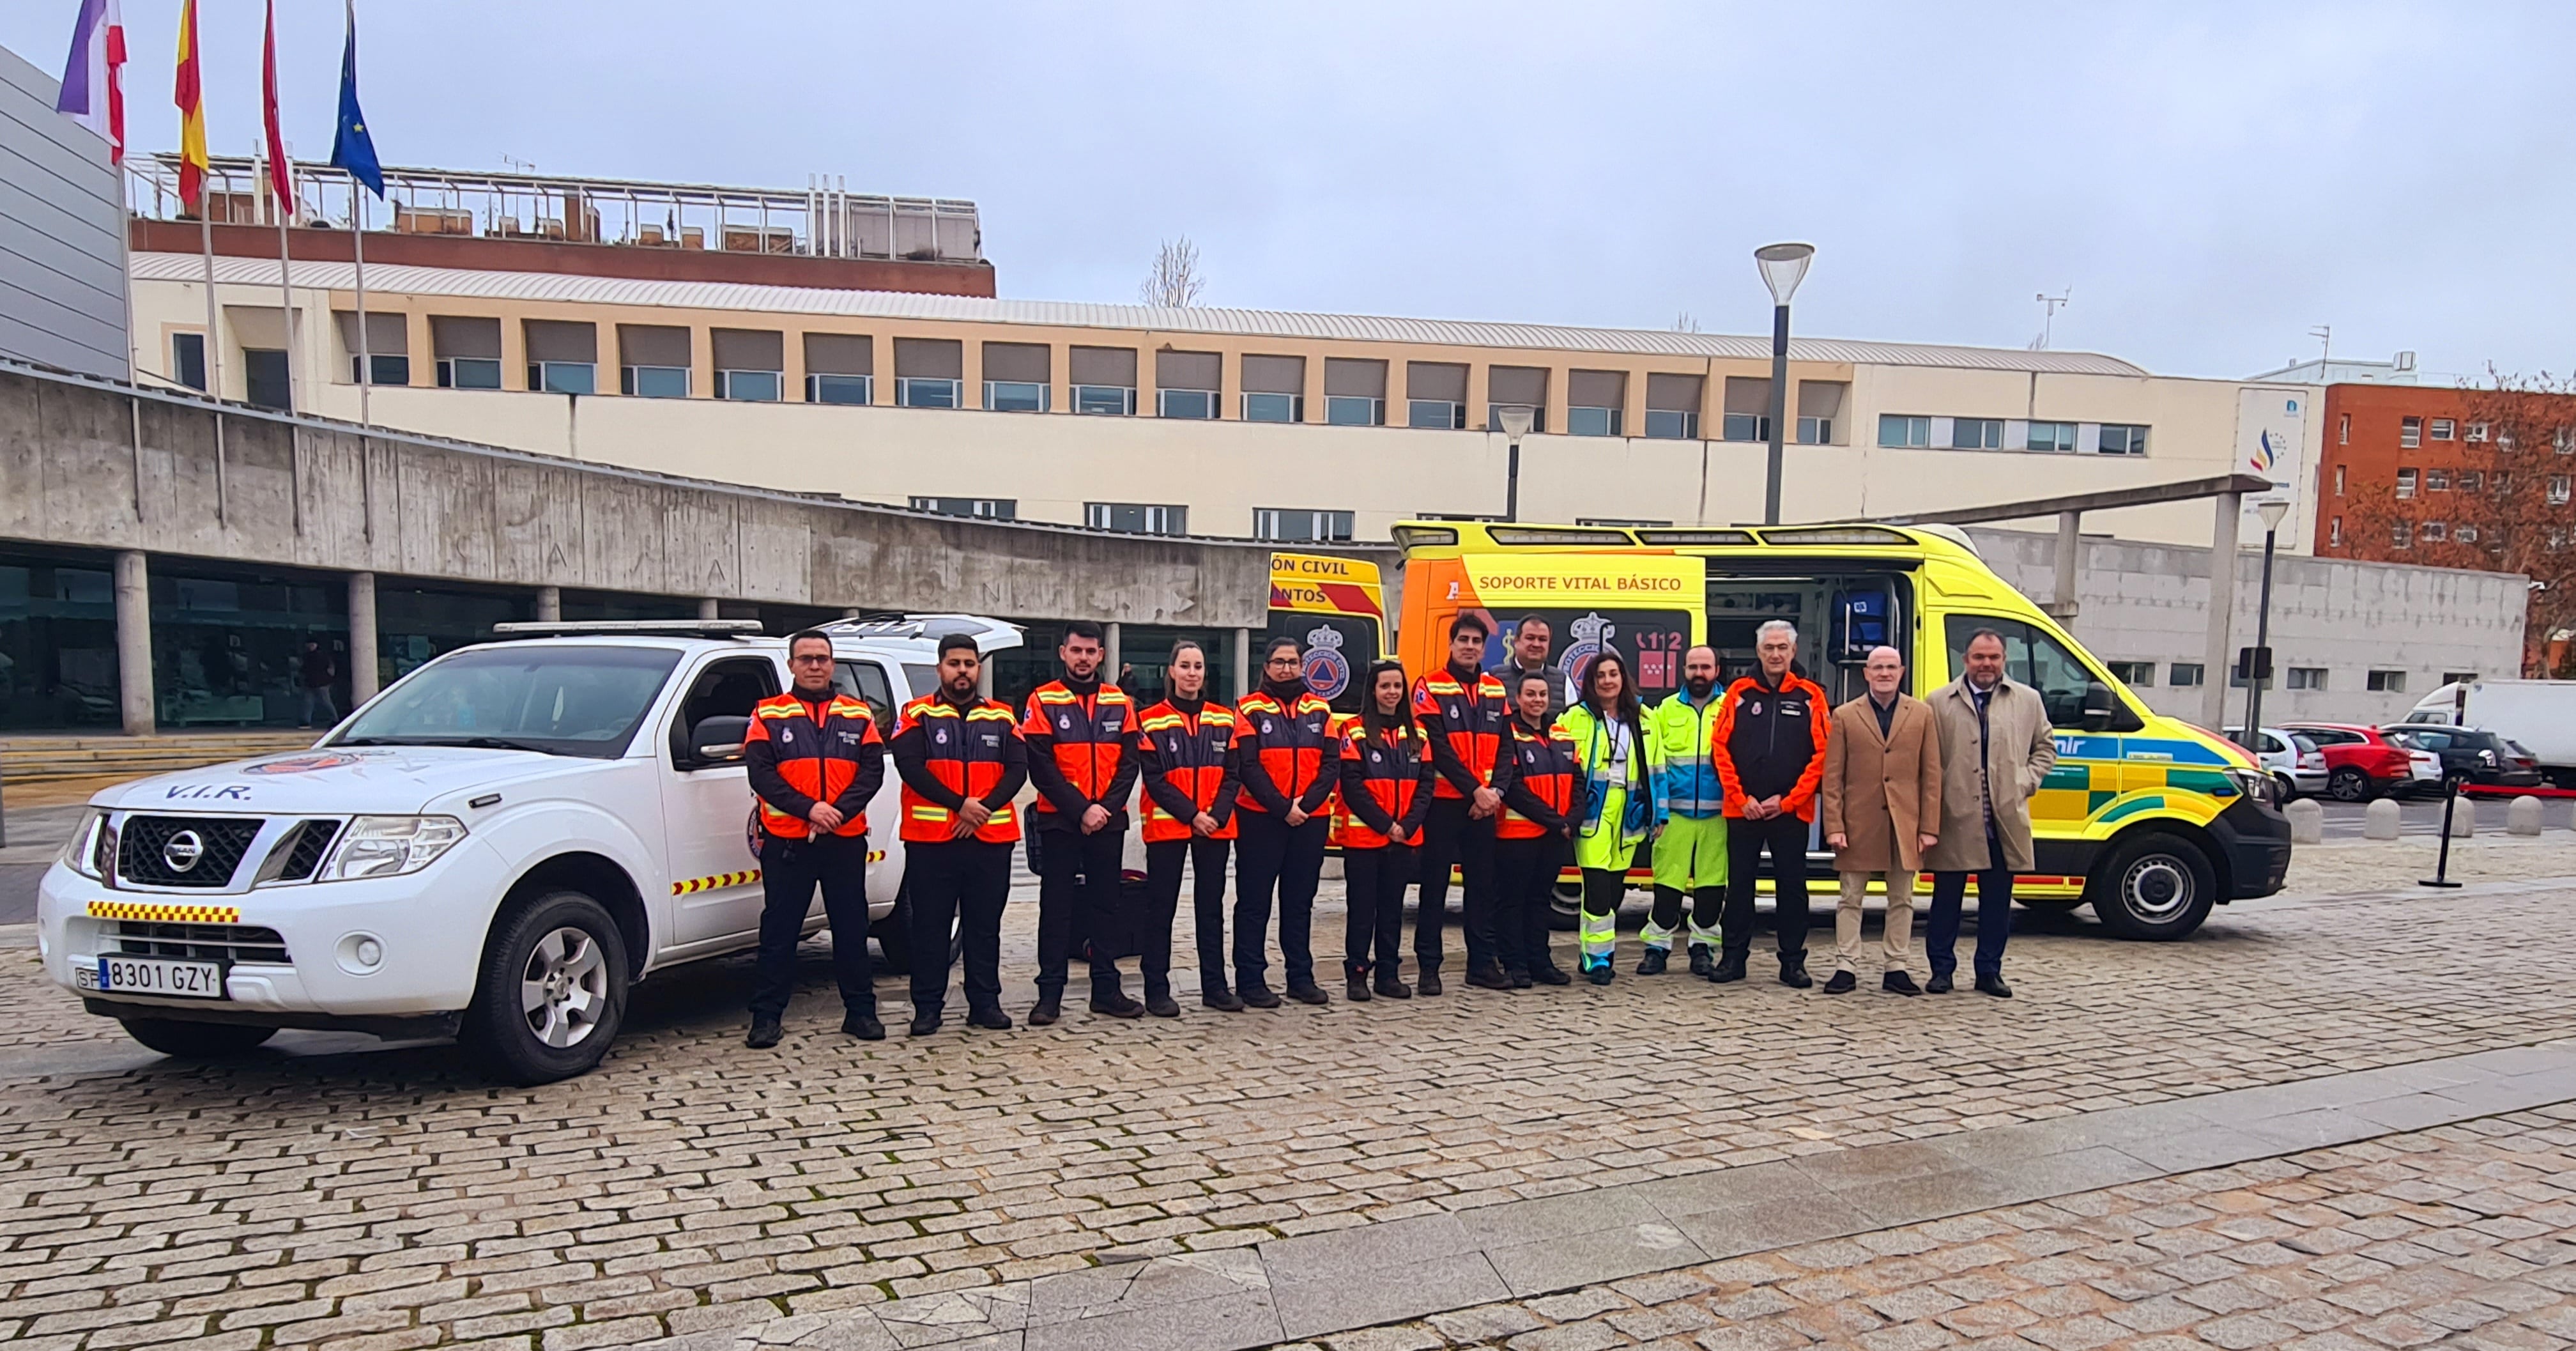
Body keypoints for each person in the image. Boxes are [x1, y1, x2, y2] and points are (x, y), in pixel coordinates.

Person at [740, 630, 886, 1048]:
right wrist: (810, 809)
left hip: (844, 839)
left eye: (822, 658)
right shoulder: (768, 714)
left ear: (833, 664)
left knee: (851, 927)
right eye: (806, 658)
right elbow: (761, 775)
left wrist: (835, 812)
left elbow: (871, 772)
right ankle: (766, 1018)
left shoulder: (858, 714)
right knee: (780, 932)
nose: (815, 665)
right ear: (791, 665)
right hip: (788, 841)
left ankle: (861, 1012)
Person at [891, 633, 1027, 1036]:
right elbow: (910, 766)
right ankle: (928, 1008)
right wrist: (959, 805)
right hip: (933, 841)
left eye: (969, 663)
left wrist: (980, 810)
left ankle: (984, 1003)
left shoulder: (1003, 716)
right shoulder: (915, 714)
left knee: (985, 927)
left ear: (978, 668)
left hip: (989, 840)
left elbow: (1017, 770)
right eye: (954, 663)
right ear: (940, 669)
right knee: (931, 927)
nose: (962, 671)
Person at [1923, 628, 2057, 998]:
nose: (1986, 664)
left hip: (2003, 818)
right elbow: (1926, 759)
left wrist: (2024, 781)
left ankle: (1989, 971)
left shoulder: (2027, 700)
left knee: (1997, 902)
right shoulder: (1938, 702)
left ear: (2004, 660)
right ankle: (1941, 971)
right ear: (1965, 660)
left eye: (1994, 657)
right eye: (1979, 657)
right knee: (1946, 901)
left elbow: (2045, 748)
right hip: (1955, 817)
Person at [1020, 621, 1143, 1023]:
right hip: (1060, 822)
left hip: (1108, 822)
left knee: (1107, 906)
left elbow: (1129, 764)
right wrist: (1080, 809)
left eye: (1091, 652)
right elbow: (1040, 765)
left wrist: (1103, 809)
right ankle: (1049, 995)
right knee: (1056, 908)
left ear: (1101, 656)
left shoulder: (1120, 702)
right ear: (1063, 653)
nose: (1084, 658)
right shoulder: (1042, 700)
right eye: (1077, 651)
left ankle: (1106, 990)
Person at [1711, 619, 1830, 989]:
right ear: (1758, 651)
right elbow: (1720, 749)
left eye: (1782, 648)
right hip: (1742, 810)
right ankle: (1733, 959)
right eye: (1769, 648)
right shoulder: (1738, 693)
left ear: (1793, 652)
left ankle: (1793, 962)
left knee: (1792, 887)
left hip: (1790, 812)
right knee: (1740, 886)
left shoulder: (1812, 696)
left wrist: (1791, 800)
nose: (1775, 654)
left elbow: (1823, 754)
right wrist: (1739, 797)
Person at [1819, 645, 1940, 996]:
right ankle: (1846, 965)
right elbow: (1833, 777)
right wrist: (1835, 826)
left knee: (1902, 899)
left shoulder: (1921, 714)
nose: (1885, 673)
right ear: (1866, 674)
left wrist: (1929, 827)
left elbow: (1931, 775)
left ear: (1901, 672)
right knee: (1849, 898)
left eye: (1891, 667)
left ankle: (1897, 967)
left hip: (1905, 823)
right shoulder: (1845, 715)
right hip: (1858, 823)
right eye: (1878, 667)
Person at [1133, 640, 1241, 1015]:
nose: (1192, 673)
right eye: (1185, 666)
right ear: (1172, 672)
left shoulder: (1225, 719)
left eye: (1198, 666)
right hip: (1170, 827)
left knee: (1210, 909)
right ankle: (1156, 989)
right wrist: (1193, 814)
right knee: (1159, 909)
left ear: (1204, 674)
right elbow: (1155, 779)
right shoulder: (1149, 719)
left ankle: (1215, 986)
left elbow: (1233, 773)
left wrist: (1216, 814)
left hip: (1215, 827)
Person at [1231, 636, 1339, 1006]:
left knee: (1299, 902)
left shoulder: (1321, 709)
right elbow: (1247, 766)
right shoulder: (1248, 709)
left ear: (1302, 666)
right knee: (1254, 902)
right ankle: (1250, 979)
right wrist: (1282, 807)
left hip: (1310, 819)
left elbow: (1330, 765)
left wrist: (1304, 806)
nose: (1286, 668)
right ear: (1266, 667)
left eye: (1292, 662)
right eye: (1279, 662)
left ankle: (1300, 977)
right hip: (1261, 818)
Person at [1411, 615, 1516, 992]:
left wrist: (1494, 794)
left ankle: (1481, 964)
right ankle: (1428, 967)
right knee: (1434, 887)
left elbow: (1507, 747)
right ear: (1451, 644)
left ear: (1484, 648)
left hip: (1484, 807)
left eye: (1476, 641)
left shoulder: (1495, 689)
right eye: (1463, 640)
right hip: (1443, 803)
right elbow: (1436, 747)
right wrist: (1475, 789)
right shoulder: (1430, 685)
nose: (1470, 646)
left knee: (1482, 888)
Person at [1334, 659, 1435, 1001]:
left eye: (1397, 686)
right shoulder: (1354, 730)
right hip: (1365, 837)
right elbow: (1352, 785)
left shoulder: (1418, 733)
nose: (1391, 692)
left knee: (1392, 909)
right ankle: (1358, 974)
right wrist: (1386, 825)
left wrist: (1406, 826)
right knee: (1363, 909)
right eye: (1385, 686)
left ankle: (1388, 974)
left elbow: (1425, 785)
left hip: (1404, 837)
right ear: (1373, 690)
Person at [1559, 652, 1662, 984]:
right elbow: (1561, 769)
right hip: (1592, 811)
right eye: (1600, 675)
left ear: (1623, 678)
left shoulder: (1644, 718)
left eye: (1613, 674)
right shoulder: (1574, 718)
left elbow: (1656, 770)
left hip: (1629, 811)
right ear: (1590, 682)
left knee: (1615, 889)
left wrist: (1658, 814)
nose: (1607, 681)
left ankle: (1593, 953)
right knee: (1598, 887)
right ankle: (1599, 958)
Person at [1644, 645, 1728, 978]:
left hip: (1719, 816)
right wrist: (1658, 812)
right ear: (1684, 670)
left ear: (1716, 670)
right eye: (1693, 667)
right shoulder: (1665, 710)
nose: (1699, 673)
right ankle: (1657, 948)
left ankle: (1702, 948)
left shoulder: (1730, 708)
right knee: (1667, 886)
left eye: (1705, 667)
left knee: (1711, 889)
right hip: (1675, 814)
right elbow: (1656, 764)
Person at [1496, 670, 1583, 986]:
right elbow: (1514, 788)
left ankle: (1540, 961)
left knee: (1540, 901)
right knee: (1513, 902)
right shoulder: (1509, 735)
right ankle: (1515, 964)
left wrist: (1571, 820)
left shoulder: (1562, 734)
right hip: (1519, 836)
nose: (1537, 700)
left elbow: (1579, 784)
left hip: (1554, 836)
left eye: (1542, 695)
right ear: (1517, 699)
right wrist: (1554, 821)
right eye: (1530, 694)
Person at [1502, 615, 1564, 723]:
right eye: (1530, 638)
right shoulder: (1493, 679)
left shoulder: (1564, 682)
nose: (1536, 644)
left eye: (1542, 639)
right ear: (1516, 641)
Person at [298, 639, 338, 729]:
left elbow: (304, 669)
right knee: (314, 702)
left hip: (318, 683)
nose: (310, 647)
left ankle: (306, 722)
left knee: (316, 702)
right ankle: (306, 721)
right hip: (317, 682)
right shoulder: (320, 656)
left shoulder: (312, 656)